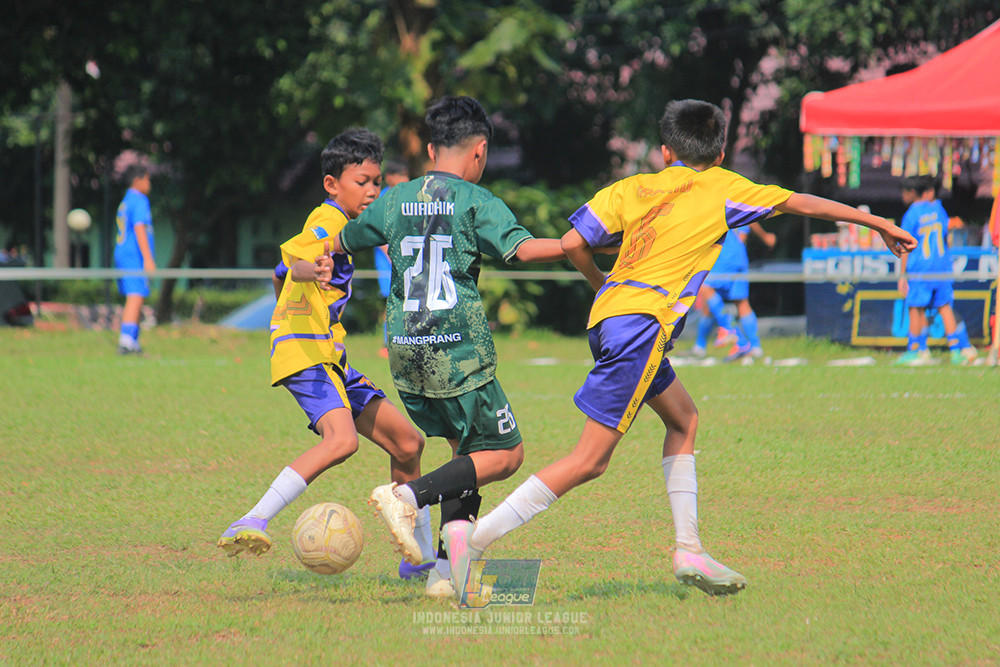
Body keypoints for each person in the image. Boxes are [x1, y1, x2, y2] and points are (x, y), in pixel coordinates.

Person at [461, 99, 917, 598]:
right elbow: (801, 203)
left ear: (663, 151)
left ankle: (689, 548)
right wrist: (878, 224)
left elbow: (573, 244)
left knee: (684, 419)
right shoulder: (724, 186)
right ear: (720, 153)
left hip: (612, 318)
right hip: (642, 327)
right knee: (589, 461)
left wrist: (602, 284)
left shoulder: (633, 185)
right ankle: (473, 543)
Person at [333, 96, 564, 598]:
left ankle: (446, 574)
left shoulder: (394, 198)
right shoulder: (475, 201)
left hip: (406, 352)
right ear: (479, 151)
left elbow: (341, 236)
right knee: (506, 454)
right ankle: (408, 497)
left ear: (433, 147)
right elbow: (523, 249)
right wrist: (578, 243)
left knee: (466, 457)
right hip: (458, 355)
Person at [217, 129, 434, 582]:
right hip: (305, 353)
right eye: (362, 181)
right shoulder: (327, 220)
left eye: (377, 181)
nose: (372, 190)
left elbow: (279, 273)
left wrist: (289, 292)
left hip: (331, 357)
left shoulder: (350, 225)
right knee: (342, 441)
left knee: (408, 444)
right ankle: (252, 519)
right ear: (332, 185)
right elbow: (294, 260)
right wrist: (308, 268)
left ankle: (422, 558)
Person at [895, 175, 977, 366]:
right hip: (942, 267)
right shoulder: (939, 210)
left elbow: (905, 245)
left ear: (912, 193)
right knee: (945, 306)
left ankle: (917, 349)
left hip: (920, 268)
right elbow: (946, 237)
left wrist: (902, 274)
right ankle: (957, 351)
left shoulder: (912, 214)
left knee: (915, 307)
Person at [690, 222, 776, 361]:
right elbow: (746, 227)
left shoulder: (719, 202)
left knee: (705, 287)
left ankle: (733, 334)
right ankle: (755, 347)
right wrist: (765, 236)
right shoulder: (740, 204)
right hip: (739, 257)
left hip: (724, 254)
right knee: (740, 302)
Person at [113, 165, 155, 354]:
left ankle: (133, 340)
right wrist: (147, 258)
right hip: (133, 256)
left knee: (137, 296)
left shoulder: (126, 200)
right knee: (135, 296)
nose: (149, 184)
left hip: (122, 253)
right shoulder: (139, 200)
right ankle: (126, 341)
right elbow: (139, 228)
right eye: (147, 179)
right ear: (137, 180)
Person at [374, 160, 412, 359]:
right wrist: (392, 255)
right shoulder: (382, 198)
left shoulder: (410, 196)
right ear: (389, 177)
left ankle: (408, 341)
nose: (405, 180)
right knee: (393, 301)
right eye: (401, 176)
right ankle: (387, 343)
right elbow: (377, 232)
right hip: (387, 261)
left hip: (407, 258)